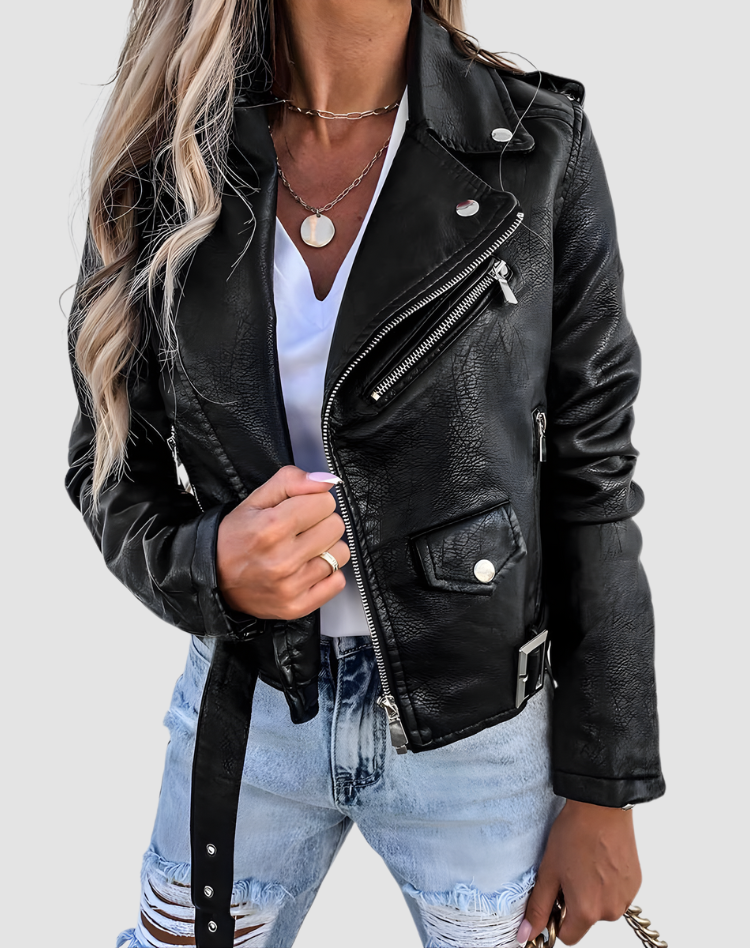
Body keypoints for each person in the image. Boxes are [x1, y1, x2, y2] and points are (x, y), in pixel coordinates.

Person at [65, 0, 665, 945]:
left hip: (478, 735)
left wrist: (606, 789)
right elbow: (109, 468)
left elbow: (592, 481)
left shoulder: (535, 148)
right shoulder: (171, 158)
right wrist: (209, 563)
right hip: (250, 712)